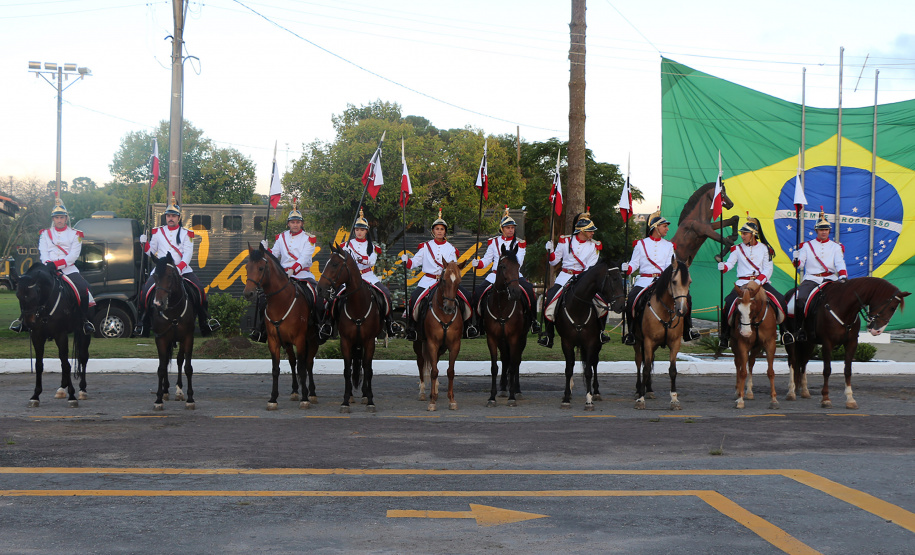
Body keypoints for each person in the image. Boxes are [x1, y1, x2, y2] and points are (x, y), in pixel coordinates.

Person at [134, 193, 220, 337]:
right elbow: (151, 252)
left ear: (179, 218)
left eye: (174, 216)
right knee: (145, 292)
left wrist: (179, 268)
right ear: (165, 217)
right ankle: (143, 323)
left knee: (200, 290)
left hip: (182, 269)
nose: (171, 218)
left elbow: (188, 254)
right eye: (168, 216)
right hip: (161, 270)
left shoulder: (188, 234)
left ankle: (206, 321)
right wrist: (145, 245)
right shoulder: (158, 232)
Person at [11, 195, 95, 335]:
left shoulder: (76, 234)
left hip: (68, 269)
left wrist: (56, 265)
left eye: (62, 217)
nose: (59, 220)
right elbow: (43, 251)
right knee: (28, 291)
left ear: (66, 218)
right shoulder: (45, 234)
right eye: (57, 218)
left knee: (82, 288)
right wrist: (47, 264)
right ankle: (23, 322)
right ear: (53, 219)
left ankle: (84, 320)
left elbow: (73, 255)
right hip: (47, 269)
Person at [621, 210, 700, 346]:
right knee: (631, 301)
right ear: (656, 227)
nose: (667, 229)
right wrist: (626, 268)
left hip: (663, 281)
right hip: (644, 280)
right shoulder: (641, 244)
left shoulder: (669, 246)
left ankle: (687, 330)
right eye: (665, 226)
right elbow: (634, 264)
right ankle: (632, 333)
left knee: (688, 299)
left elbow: (668, 266)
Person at [321, 208, 400, 339]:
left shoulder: (372, 246)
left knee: (385, 293)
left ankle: (390, 322)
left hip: (367, 275)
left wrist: (358, 258)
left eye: (362, 230)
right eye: (357, 230)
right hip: (350, 278)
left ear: (366, 231)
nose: (359, 232)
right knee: (334, 297)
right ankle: (328, 323)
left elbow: (371, 261)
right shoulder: (346, 245)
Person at [400, 208, 478, 341]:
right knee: (414, 298)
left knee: (467, 297)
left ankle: (469, 326)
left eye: (442, 229)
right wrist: (406, 261)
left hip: (446, 282)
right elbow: (414, 263)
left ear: (445, 231)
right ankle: (412, 329)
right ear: (433, 231)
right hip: (428, 280)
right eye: (437, 229)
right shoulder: (425, 246)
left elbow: (453, 266)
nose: (440, 231)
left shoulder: (451, 248)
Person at [250, 198, 320, 342]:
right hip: (282, 275)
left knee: (317, 297)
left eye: (298, 222)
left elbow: (304, 258)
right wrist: (265, 249)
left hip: (302, 274)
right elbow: (274, 255)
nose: (295, 224)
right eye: (292, 222)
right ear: (288, 223)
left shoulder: (309, 239)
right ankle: (262, 330)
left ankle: (319, 326)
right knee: (263, 299)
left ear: (302, 223)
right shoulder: (281, 237)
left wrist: (293, 270)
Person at [537, 210, 608, 348]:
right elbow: (553, 261)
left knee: (602, 304)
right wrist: (550, 251)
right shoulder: (565, 241)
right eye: (590, 231)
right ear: (581, 231)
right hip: (565, 276)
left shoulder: (595, 245)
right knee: (550, 300)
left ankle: (601, 332)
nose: (593, 233)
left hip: (583, 277)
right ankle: (548, 335)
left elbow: (591, 267)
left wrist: (582, 278)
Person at [717, 216, 791, 348]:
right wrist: (724, 267)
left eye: (745, 233)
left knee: (780, 300)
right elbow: (730, 263)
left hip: (760, 283)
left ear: (753, 235)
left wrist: (757, 282)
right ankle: (725, 336)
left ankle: (785, 332)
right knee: (728, 303)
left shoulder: (765, 249)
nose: (742, 236)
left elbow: (768, 269)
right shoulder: (737, 249)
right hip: (742, 283)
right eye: (742, 233)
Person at [470, 206, 540, 333]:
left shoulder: (520, 243)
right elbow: (487, 260)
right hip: (495, 275)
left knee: (530, 291)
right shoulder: (493, 242)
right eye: (508, 228)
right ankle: (477, 324)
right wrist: (478, 263)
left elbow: (519, 261)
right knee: (478, 293)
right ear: (502, 229)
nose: (511, 230)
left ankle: (533, 321)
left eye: (512, 228)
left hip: (514, 274)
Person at [790, 207, 848, 342]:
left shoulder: (836, 247)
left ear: (829, 231)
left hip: (830, 279)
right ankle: (800, 329)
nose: (824, 232)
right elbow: (800, 265)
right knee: (800, 300)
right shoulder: (806, 246)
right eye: (821, 230)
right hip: (812, 279)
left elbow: (840, 263)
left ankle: (844, 330)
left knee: (845, 301)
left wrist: (843, 276)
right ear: (816, 231)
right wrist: (797, 259)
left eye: (826, 229)